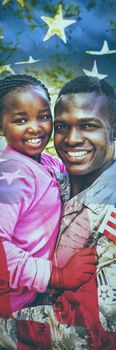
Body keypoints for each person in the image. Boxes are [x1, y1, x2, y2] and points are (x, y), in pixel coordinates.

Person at [0, 74, 96, 349]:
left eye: (43, 116)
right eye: (20, 120)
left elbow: (70, 182)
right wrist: (57, 276)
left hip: (31, 296)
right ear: (1, 126)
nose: (35, 128)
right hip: (12, 310)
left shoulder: (49, 162)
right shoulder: (12, 175)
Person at [53, 75, 116, 349]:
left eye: (88, 126)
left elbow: (90, 327)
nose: (71, 139)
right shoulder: (46, 184)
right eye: (61, 126)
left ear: (113, 129)